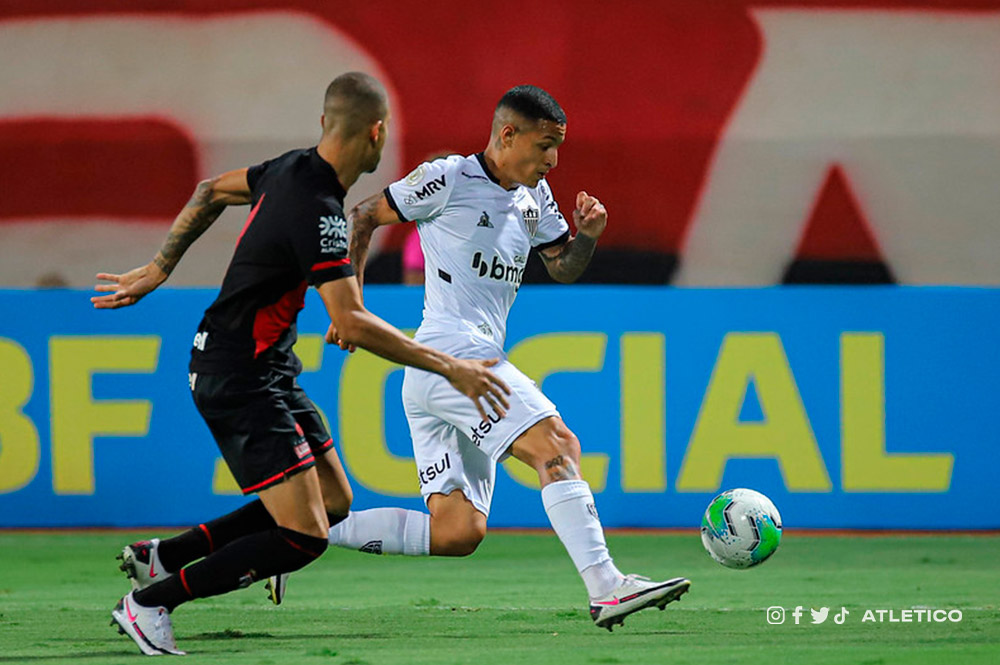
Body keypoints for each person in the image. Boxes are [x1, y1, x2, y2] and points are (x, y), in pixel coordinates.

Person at [91, 72, 510, 656]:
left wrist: (160, 267)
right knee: (304, 535)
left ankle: (164, 556)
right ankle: (151, 604)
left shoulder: (290, 168)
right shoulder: (320, 210)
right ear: (377, 133)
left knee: (334, 503)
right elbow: (353, 320)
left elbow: (211, 189)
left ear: (323, 124)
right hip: (238, 375)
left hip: (266, 369)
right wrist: (451, 367)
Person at [272, 85, 690, 631]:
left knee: (457, 532)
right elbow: (362, 214)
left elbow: (563, 266)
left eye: (557, 149)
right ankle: (607, 587)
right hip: (451, 354)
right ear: (507, 134)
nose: (553, 160)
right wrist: (346, 308)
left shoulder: (535, 197)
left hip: (445, 371)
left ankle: (287, 535)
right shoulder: (448, 177)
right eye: (544, 146)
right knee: (559, 445)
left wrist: (587, 236)